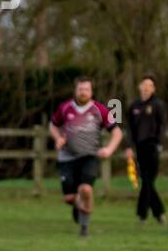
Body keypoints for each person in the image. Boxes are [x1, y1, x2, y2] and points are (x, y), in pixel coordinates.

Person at [49, 76, 123, 238]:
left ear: (91, 91)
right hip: (67, 158)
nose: (83, 92)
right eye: (80, 89)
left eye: (86, 89)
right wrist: (58, 138)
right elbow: (53, 125)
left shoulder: (101, 110)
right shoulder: (65, 107)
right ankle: (78, 204)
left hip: (89, 156)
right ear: (75, 90)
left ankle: (84, 229)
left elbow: (117, 133)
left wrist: (109, 149)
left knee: (86, 190)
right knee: (69, 198)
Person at [125, 74, 166, 224]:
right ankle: (159, 213)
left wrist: (160, 143)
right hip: (139, 148)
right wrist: (129, 146)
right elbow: (129, 128)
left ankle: (142, 214)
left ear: (153, 88)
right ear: (140, 87)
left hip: (153, 146)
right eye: (144, 85)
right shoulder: (134, 106)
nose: (146, 88)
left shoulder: (157, 105)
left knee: (148, 180)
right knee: (146, 181)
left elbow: (162, 126)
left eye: (150, 85)